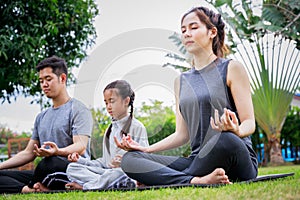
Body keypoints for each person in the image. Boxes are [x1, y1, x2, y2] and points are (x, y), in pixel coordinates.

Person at [115, 6, 258, 186]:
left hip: (234, 154)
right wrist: (145, 149)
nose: (186, 34)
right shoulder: (181, 81)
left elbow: (249, 122)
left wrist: (236, 130)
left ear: (212, 32)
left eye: (193, 27)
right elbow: (182, 135)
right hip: (198, 161)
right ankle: (195, 180)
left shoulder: (231, 68)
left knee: (223, 139)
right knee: (130, 159)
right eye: (183, 30)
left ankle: (166, 178)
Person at [0, 56, 93, 193]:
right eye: (41, 81)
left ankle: (37, 185)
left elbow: (80, 146)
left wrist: (57, 152)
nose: (44, 84)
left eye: (48, 79)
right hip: (46, 172)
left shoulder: (78, 109)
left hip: (73, 172)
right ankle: (28, 190)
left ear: (62, 79)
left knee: (50, 162)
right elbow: (29, 152)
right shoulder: (41, 117)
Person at [65, 80, 149, 190]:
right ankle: (111, 184)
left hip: (125, 173)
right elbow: (104, 162)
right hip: (108, 173)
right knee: (72, 168)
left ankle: (87, 186)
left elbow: (145, 159)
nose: (108, 106)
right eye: (106, 102)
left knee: (116, 174)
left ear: (126, 101)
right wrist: (80, 160)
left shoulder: (137, 127)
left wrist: (124, 162)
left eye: (112, 101)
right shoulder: (110, 130)